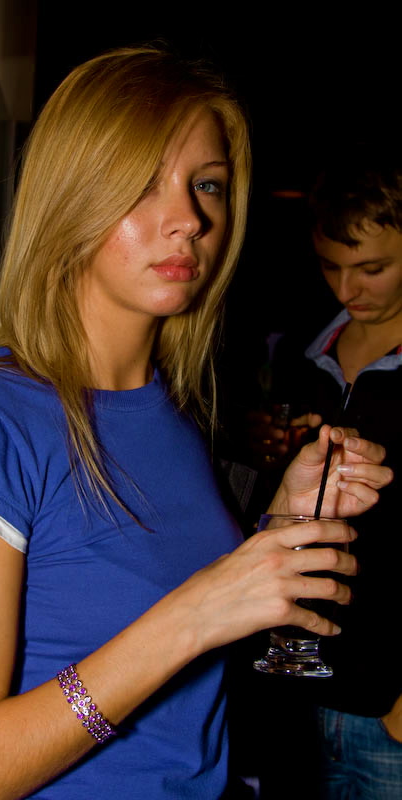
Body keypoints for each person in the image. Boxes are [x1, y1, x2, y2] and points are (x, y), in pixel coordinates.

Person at [0, 49, 391, 800]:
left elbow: (171, 609)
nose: (190, 219)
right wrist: (192, 616)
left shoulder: (172, 411)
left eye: (207, 185)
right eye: (142, 182)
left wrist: (282, 522)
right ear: (72, 198)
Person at [254, 143, 402, 799]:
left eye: (371, 268)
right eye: (330, 266)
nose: (346, 290)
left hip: (388, 708)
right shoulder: (296, 352)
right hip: (291, 692)